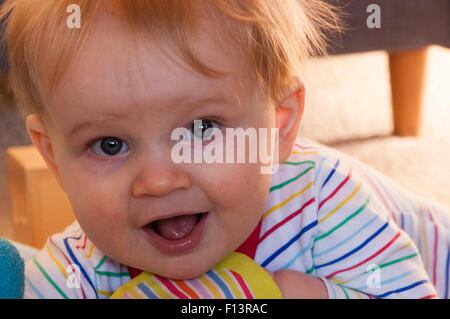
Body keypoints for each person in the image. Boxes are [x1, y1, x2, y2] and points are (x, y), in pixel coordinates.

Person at [1, 0, 448, 299]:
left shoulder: (321, 199)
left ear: (277, 125)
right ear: (53, 156)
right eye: (109, 144)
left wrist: (298, 292)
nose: (159, 180)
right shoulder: (82, 262)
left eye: (201, 129)